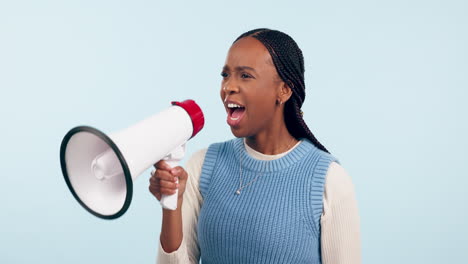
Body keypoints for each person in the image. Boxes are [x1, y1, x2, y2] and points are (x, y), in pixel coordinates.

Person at [149, 28, 361, 264]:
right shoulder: (202, 166)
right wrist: (172, 206)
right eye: (225, 75)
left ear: (284, 89)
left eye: (245, 76)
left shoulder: (329, 180)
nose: (228, 86)